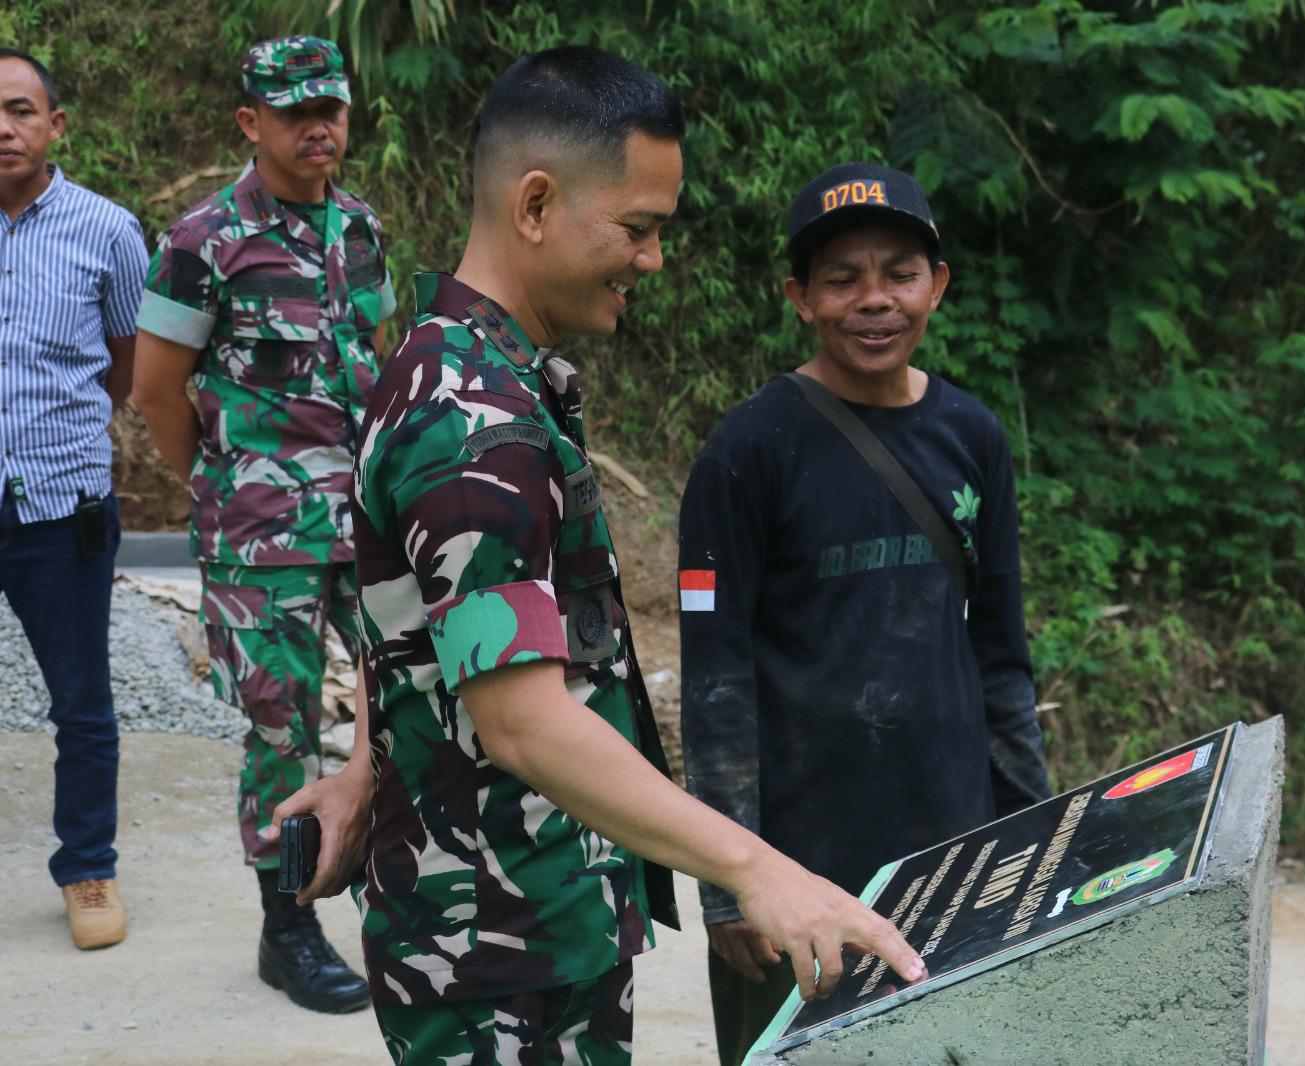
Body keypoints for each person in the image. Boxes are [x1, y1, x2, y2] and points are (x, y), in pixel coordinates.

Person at [325, 47, 923, 1064]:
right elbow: (521, 720)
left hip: (531, 918)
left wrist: (361, 761)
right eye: (637, 229)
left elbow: (422, 625)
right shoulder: (475, 424)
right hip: (498, 956)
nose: (651, 260)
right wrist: (757, 865)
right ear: (537, 203)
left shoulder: (463, 374)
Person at [677, 161, 1053, 1064]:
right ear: (799, 298)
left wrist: (1033, 828)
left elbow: (1001, 651)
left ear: (938, 287)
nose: (873, 300)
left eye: (898, 274)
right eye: (842, 279)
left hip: (956, 848)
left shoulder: (973, 438)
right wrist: (731, 887)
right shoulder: (748, 453)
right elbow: (716, 679)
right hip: (799, 872)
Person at [130, 35, 393, 1013]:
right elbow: (157, 391)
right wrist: (225, 489)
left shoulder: (362, 226)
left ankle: (386, 876)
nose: (318, 127)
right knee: (283, 729)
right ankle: (288, 925)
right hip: (261, 537)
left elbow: (374, 355)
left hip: (364, 524)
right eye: (294, 113)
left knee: (400, 704)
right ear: (251, 123)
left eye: (331, 108)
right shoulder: (202, 240)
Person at [0, 47, 147, 952]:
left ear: (56, 126)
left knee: (82, 702)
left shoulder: (107, 231)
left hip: (60, 508)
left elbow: (128, 366)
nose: (2, 128)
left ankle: (87, 867)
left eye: (20, 109)